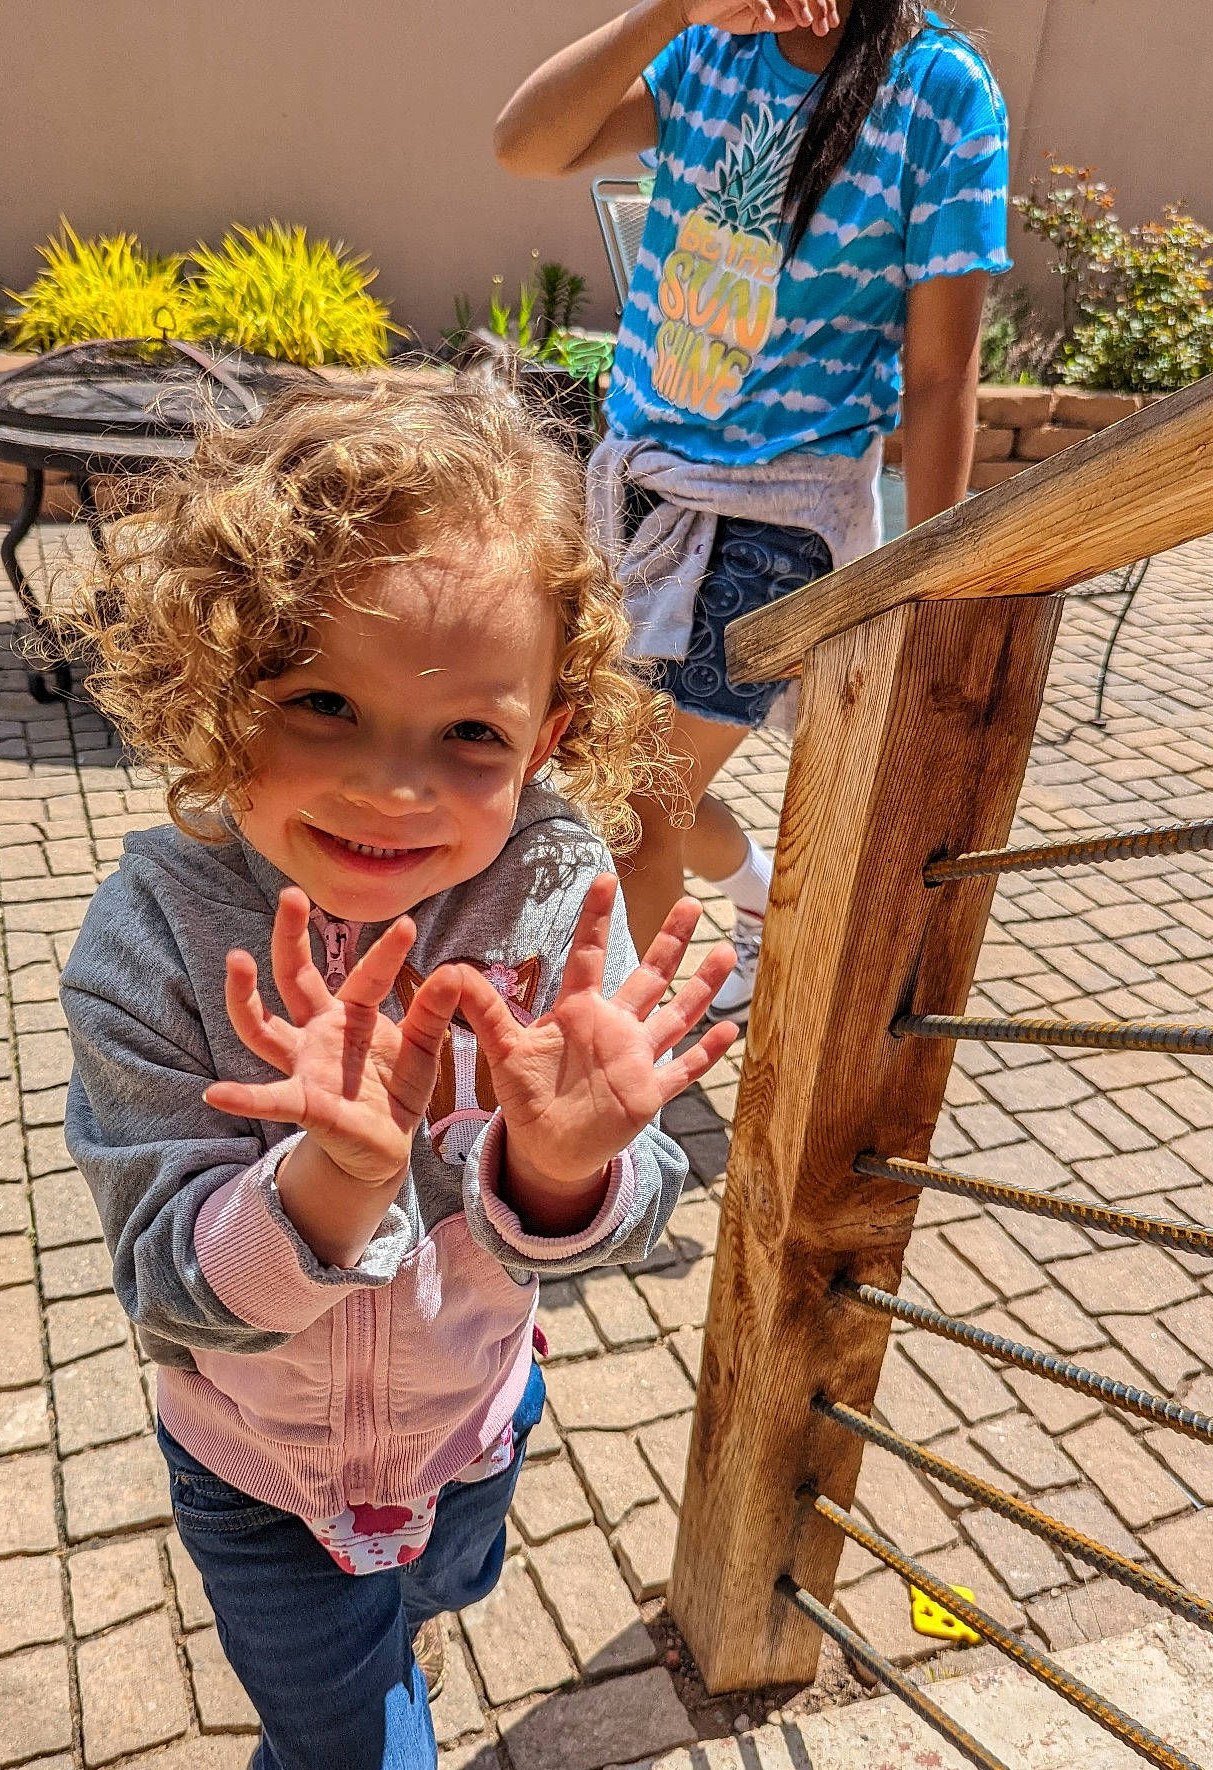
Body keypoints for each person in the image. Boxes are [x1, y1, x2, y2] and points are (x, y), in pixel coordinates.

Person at [58, 381, 739, 1770]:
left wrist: (567, 1163)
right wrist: (328, 1177)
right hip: (257, 1472)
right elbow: (166, 1287)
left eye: (469, 737)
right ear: (217, 676)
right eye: (319, 700)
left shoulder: (556, 890)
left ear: (550, 733)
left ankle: (388, 1672)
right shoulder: (152, 934)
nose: (392, 789)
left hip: (468, 1435)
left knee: (424, 1616)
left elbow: (614, 1219)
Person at [496, 0, 1011, 1014]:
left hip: (782, 512)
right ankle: (756, 899)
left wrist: (929, 580)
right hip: (639, 484)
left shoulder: (941, 90)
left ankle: (617, 1080)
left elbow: (943, 375)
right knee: (636, 779)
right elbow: (523, 145)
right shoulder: (708, 42)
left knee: (636, 802)